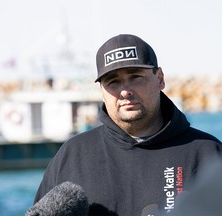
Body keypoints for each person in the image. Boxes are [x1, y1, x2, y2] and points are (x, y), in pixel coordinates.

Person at [33, 34, 222, 216]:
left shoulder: (207, 153)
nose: (125, 91)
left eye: (135, 77)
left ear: (160, 78)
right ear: (102, 91)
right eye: (113, 82)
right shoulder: (72, 155)